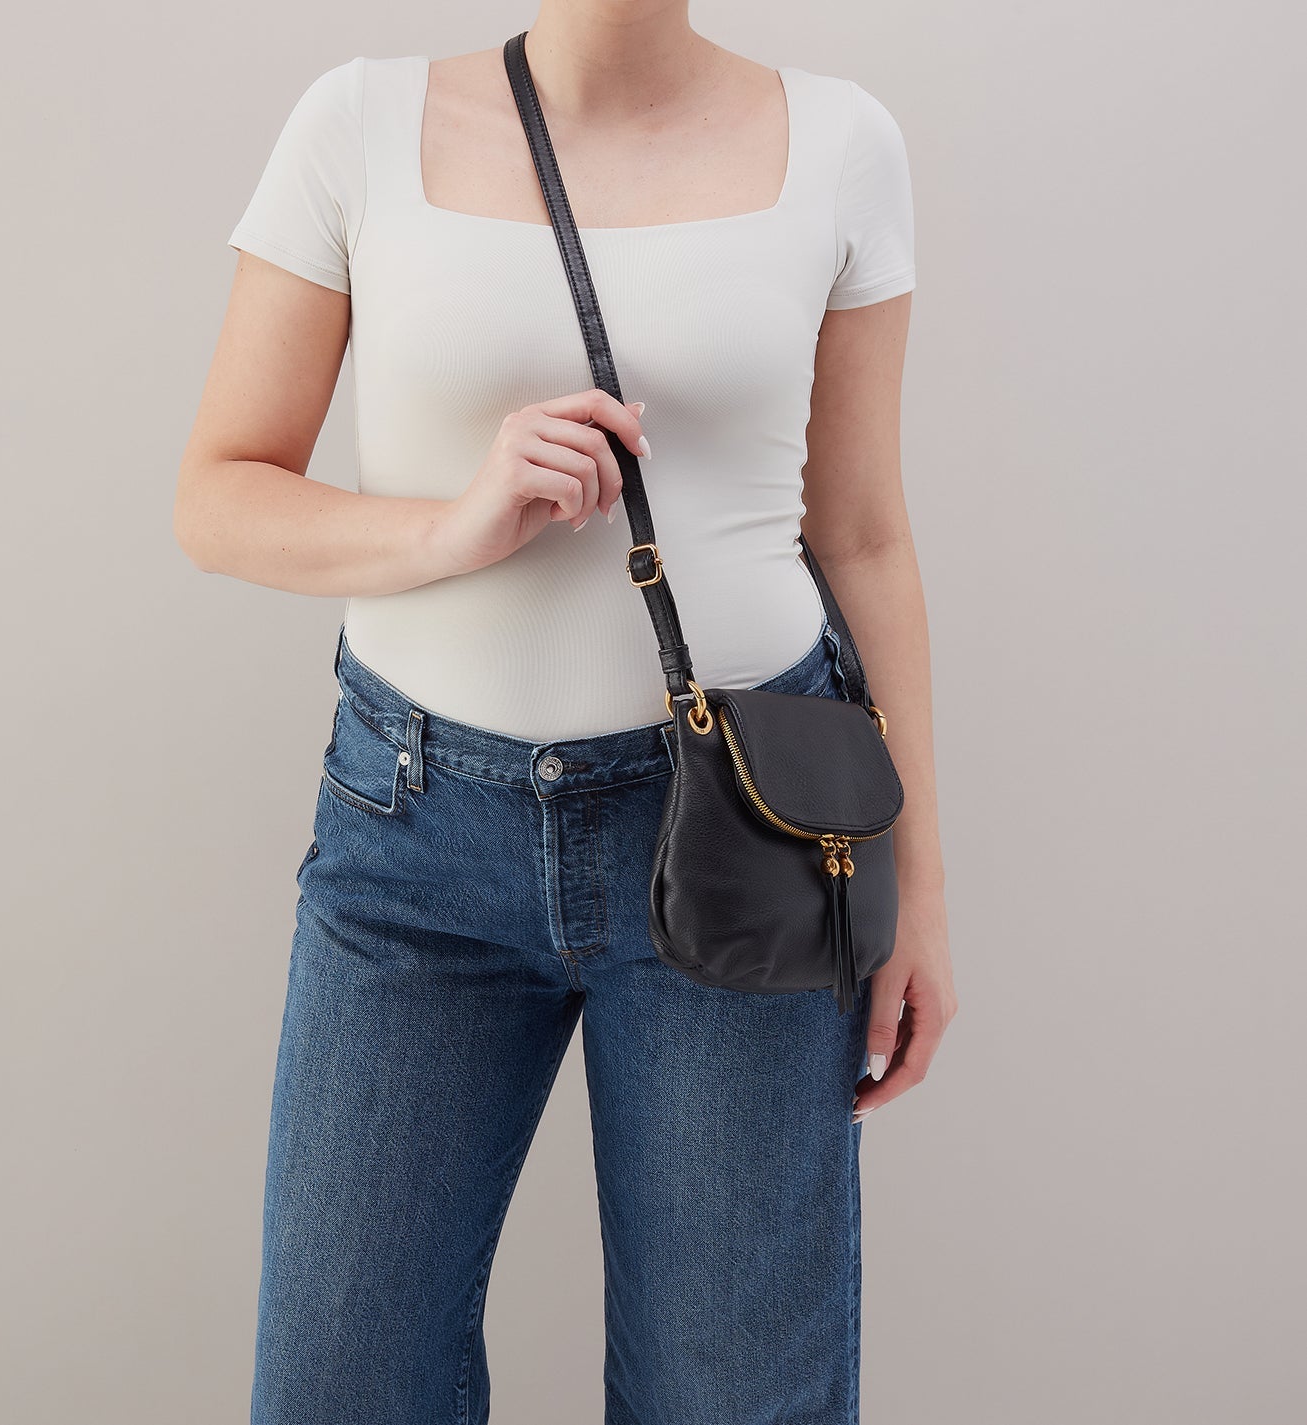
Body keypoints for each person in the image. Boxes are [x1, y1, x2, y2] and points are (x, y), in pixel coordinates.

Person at [175, 7, 956, 1422]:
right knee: (343, 1383)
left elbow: (860, 535)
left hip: (758, 831)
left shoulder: (842, 142)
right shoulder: (358, 123)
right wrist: (454, 527)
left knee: (734, 1393)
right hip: (413, 830)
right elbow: (219, 492)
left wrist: (923, 896)